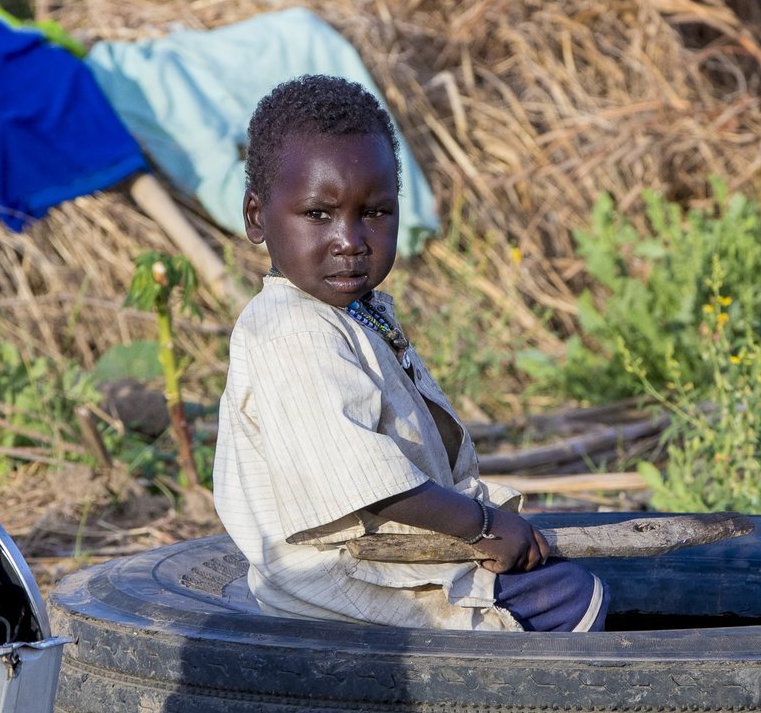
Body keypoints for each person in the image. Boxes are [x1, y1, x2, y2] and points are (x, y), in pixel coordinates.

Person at [213, 74, 608, 632]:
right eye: (319, 215)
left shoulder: (353, 311)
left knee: (560, 573)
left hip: (384, 553)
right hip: (335, 582)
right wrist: (480, 524)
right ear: (257, 217)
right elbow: (368, 487)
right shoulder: (292, 333)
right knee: (570, 599)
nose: (350, 240)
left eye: (374, 212)